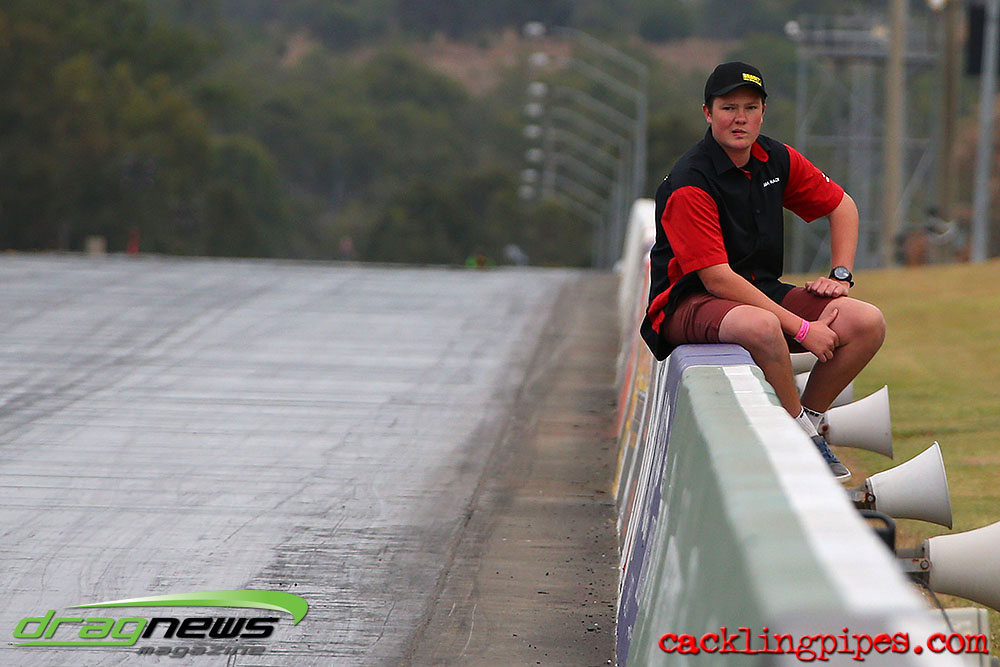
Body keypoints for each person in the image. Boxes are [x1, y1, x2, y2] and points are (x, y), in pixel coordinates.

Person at [639, 62, 886, 481]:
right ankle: (798, 437)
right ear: (708, 113)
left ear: (763, 112)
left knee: (866, 321)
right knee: (763, 325)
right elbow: (717, 279)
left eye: (750, 108)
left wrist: (840, 275)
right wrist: (804, 329)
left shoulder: (776, 158)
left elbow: (841, 206)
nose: (740, 118)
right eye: (728, 108)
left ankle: (808, 420)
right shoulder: (689, 181)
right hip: (687, 301)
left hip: (759, 291)